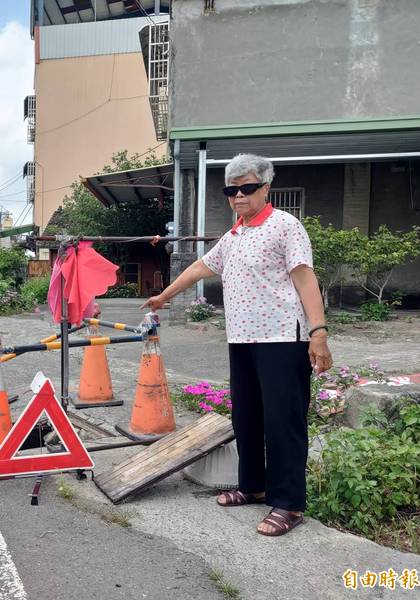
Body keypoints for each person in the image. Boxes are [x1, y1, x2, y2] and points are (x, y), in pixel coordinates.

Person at [142, 153, 332, 537]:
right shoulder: (235, 234)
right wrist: (165, 296)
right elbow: (201, 267)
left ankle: (289, 503)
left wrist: (319, 332)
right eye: (232, 190)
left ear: (266, 188)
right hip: (242, 337)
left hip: (282, 337)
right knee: (248, 416)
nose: (239, 196)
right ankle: (254, 486)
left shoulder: (285, 226)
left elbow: (305, 278)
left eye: (247, 188)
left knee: (284, 421)